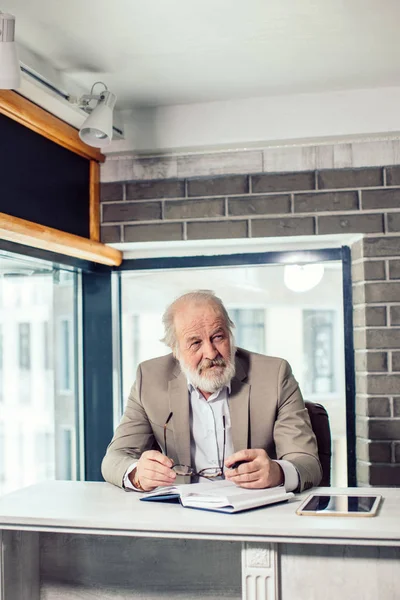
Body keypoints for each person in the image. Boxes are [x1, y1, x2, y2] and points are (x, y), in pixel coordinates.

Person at [101, 290, 322, 493]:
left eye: (218, 337)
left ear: (230, 335)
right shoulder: (149, 378)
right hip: (182, 514)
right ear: (175, 351)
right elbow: (114, 459)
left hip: (256, 512)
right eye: (195, 343)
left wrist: (278, 472)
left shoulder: (274, 374)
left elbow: (308, 463)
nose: (210, 352)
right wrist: (137, 473)